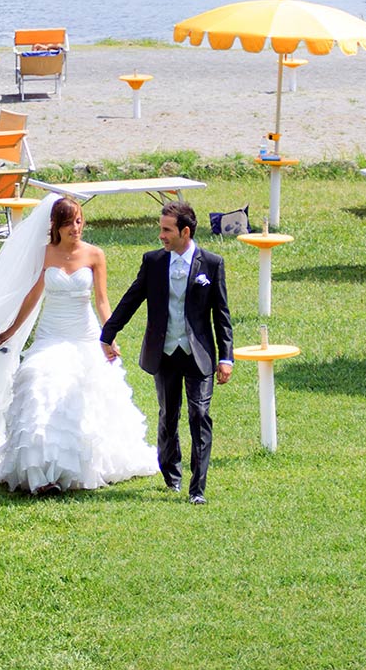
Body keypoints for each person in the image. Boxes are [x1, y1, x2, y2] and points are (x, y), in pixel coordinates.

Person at [0, 196, 158, 495]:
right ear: (55, 227)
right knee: (37, 380)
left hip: (84, 335)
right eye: (69, 223)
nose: (76, 228)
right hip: (51, 334)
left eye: (79, 221)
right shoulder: (45, 254)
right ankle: (40, 474)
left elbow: (102, 301)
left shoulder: (95, 254)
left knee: (86, 390)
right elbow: (32, 296)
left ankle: (77, 465)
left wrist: (108, 337)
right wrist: (7, 333)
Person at [99, 201, 234, 504]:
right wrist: (107, 334)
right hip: (164, 351)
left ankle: (197, 490)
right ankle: (172, 475)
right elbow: (131, 299)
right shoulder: (154, 262)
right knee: (167, 416)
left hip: (197, 352)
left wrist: (226, 357)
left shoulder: (211, 263)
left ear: (185, 232)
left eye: (166, 230)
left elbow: (221, 315)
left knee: (199, 415)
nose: (160, 235)